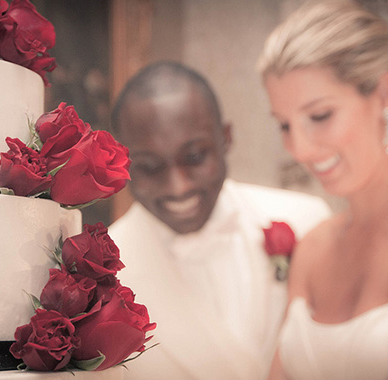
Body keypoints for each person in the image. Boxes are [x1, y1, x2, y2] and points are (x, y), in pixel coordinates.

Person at [258, 1, 388, 379]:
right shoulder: (313, 245)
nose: (300, 149)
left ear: (385, 95)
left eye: (320, 115)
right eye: (284, 125)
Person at [107, 61, 331, 380]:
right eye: (150, 167)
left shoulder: (308, 223)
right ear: (121, 161)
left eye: (195, 157)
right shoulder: (101, 277)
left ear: (225, 138)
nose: (178, 186)